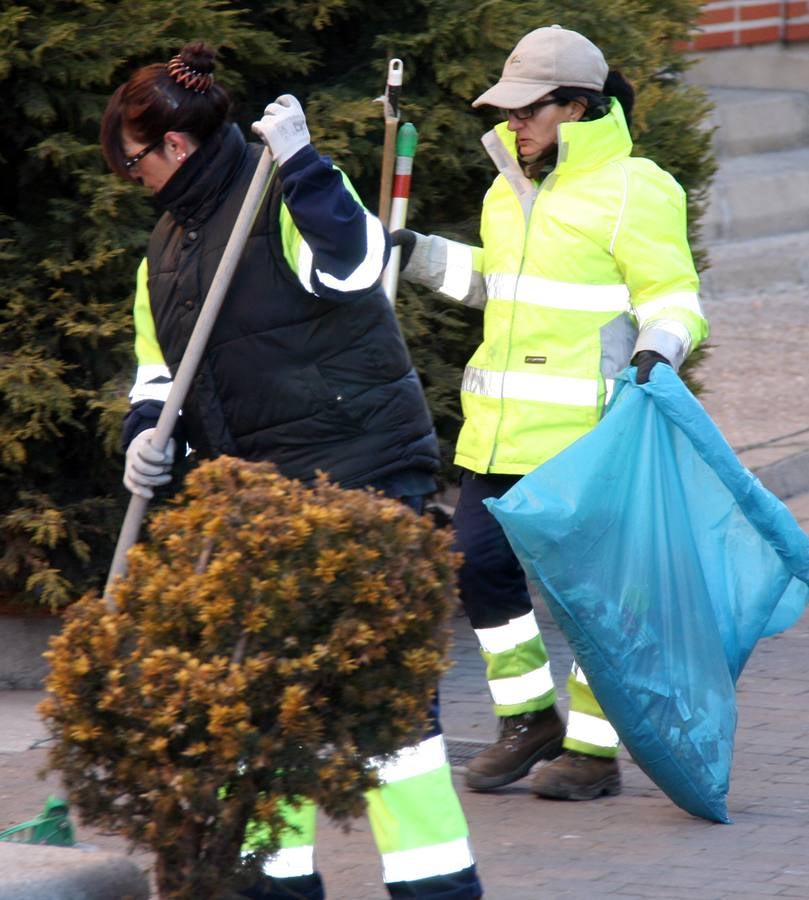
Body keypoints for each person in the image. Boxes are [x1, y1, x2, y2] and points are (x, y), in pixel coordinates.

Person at [101, 40, 482, 900]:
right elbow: (158, 374)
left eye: (135, 161)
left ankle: (436, 888)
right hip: (259, 496)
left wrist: (305, 163)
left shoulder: (284, 189)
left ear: (176, 146)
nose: (132, 178)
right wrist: (145, 438)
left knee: (383, 711)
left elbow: (352, 269)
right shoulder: (161, 253)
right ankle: (272, 888)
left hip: (364, 473)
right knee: (263, 707)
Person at [392, 24, 709, 801]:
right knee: (478, 566)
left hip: (589, 438)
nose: (512, 124)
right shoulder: (509, 188)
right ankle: (529, 719)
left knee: (595, 600)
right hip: (499, 432)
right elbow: (493, 284)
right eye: (506, 112)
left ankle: (595, 755)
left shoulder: (639, 188)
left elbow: (675, 299)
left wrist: (655, 352)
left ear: (575, 107)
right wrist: (417, 252)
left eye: (526, 110)